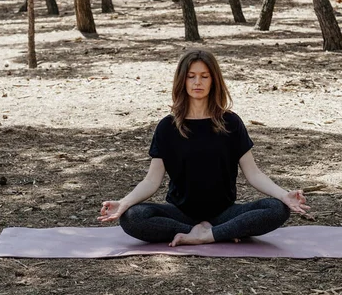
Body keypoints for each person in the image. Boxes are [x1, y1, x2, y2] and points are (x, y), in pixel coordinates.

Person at [98, 49, 310, 247]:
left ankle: (208, 234)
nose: (197, 82)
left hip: (225, 213)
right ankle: (206, 231)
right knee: (133, 218)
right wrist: (124, 203)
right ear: (182, 80)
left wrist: (284, 195)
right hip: (180, 213)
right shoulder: (167, 127)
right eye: (191, 76)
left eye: (204, 76)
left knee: (276, 209)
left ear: (213, 81)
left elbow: (253, 173)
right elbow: (152, 181)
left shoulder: (231, 123)